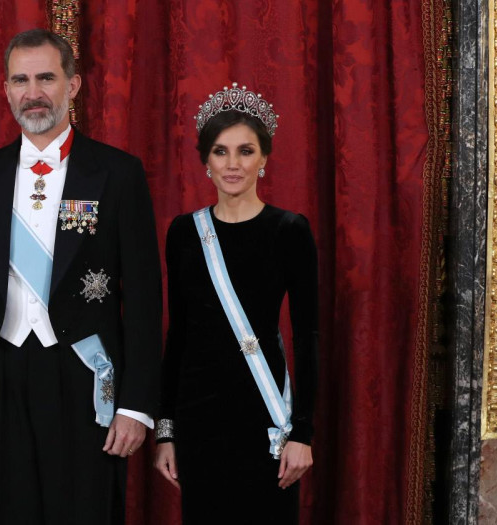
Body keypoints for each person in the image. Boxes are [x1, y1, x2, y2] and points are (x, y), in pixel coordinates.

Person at [0, 29, 162, 524]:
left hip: (87, 381)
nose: (32, 92)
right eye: (20, 79)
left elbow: (145, 301)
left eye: (46, 77)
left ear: (74, 85)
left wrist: (136, 406)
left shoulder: (117, 173)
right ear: (6, 89)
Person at [152, 83, 317, 523]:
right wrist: (165, 431)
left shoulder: (290, 230)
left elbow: (308, 336)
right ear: (206, 161)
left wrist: (303, 432)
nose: (233, 163)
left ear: (263, 158)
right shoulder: (184, 232)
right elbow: (179, 334)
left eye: (245, 151)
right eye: (221, 152)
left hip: (264, 416)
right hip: (199, 420)